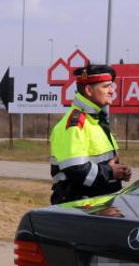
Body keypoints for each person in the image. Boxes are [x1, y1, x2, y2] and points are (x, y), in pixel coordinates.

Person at [49, 64, 132, 205]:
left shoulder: (96, 120)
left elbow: (106, 162)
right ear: (88, 90)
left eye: (112, 86)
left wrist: (120, 170)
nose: (112, 91)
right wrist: (111, 172)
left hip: (98, 205)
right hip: (79, 209)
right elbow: (75, 170)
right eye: (106, 86)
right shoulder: (75, 124)